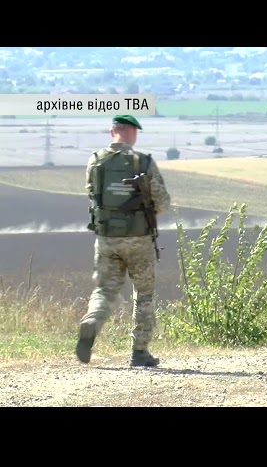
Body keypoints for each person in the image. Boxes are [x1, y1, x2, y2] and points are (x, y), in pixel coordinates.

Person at [76, 114, 172, 367]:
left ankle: (92, 322)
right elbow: (162, 203)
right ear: (132, 133)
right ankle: (139, 352)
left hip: (107, 239)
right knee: (144, 295)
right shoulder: (144, 162)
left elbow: (92, 194)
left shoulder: (95, 162)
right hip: (139, 240)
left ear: (113, 132)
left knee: (105, 289)